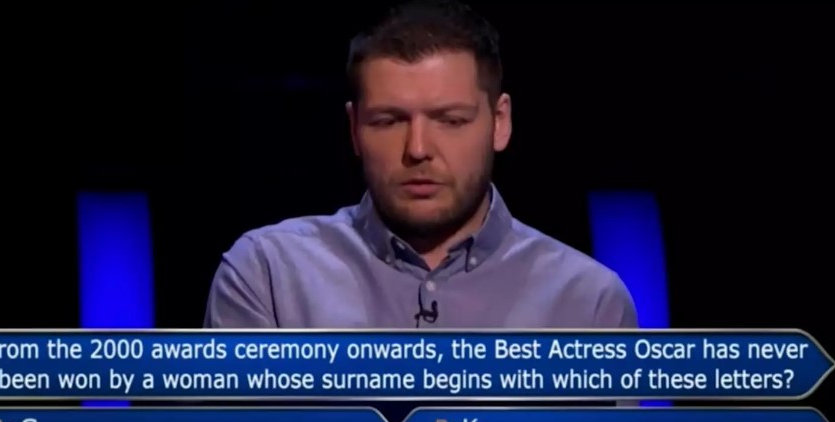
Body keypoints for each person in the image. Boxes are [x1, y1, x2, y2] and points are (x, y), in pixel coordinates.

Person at [204, 0, 637, 329]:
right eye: (389, 121)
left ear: (499, 122)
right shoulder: (268, 275)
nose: (417, 149)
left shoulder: (588, 301)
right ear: (354, 129)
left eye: (450, 121)